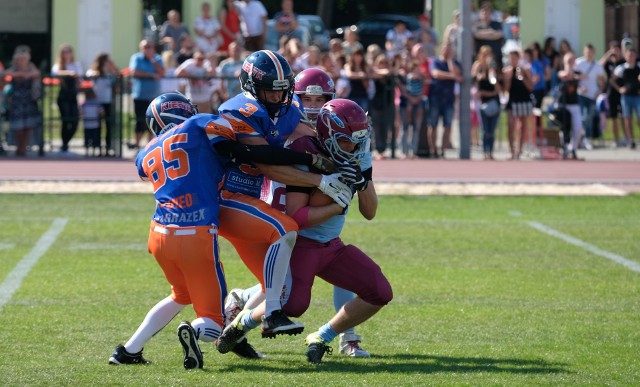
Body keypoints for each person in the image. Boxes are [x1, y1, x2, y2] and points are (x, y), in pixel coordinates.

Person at [109, 92, 347, 366]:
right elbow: (246, 152)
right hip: (196, 231)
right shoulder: (199, 124)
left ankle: (128, 350)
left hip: (158, 232)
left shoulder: (146, 152)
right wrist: (309, 160)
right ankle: (198, 329)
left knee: (181, 294)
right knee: (213, 320)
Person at [217, 99, 392, 364]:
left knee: (380, 291)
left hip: (331, 245)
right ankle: (240, 325)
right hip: (301, 244)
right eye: (346, 141)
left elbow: (370, 212)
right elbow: (297, 218)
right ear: (328, 135)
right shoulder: (305, 150)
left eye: (358, 141)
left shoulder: (356, 152)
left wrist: (362, 182)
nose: (353, 147)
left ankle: (322, 337)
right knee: (293, 304)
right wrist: (337, 204)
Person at [213, 50, 353, 347]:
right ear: (252, 87)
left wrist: (347, 141)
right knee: (285, 229)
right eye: (269, 92)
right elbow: (265, 161)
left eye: (282, 92)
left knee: (278, 284)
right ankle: (270, 315)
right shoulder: (240, 110)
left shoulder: (286, 110)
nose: (277, 99)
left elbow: (311, 134)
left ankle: (235, 324)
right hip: (231, 198)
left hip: (253, 202)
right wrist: (320, 178)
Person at [4, 46, 40, 157]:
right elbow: (4, 74)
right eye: (20, 59)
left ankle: (23, 149)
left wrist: (27, 74)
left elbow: (37, 73)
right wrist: (19, 74)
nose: (22, 61)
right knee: (18, 127)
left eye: (24, 59)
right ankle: (18, 148)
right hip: (17, 101)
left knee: (27, 127)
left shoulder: (31, 66)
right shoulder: (14, 68)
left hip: (29, 100)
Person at [129, 39, 165, 149]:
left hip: (154, 97)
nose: (148, 49)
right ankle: (137, 145)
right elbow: (134, 72)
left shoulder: (157, 59)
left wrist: (152, 60)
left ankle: (150, 145)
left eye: (150, 46)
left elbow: (162, 72)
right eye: (145, 47)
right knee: (139, 121)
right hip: (140, 95)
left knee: (153, 122)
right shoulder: (136, 58)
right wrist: (151, 75)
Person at [428, 43, 462, 158]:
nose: (446, 52)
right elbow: (436, 74)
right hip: (435, 98)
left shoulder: (455, 63)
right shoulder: (435, 62)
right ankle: (433, 151)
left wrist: (450, 61)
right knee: (433, 125)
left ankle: (442, 151)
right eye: (445, 50)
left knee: (447, 126)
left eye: (449, 50)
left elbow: (458, 74)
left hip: (449, 99)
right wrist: (452, 76)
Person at [86, 52, 119, 157]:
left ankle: (108, 148)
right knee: (97, 126)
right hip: (97, 102)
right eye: (106, 61)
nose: (108, 63)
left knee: (109, 125)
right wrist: (98, 73)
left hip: (108, 101)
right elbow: (88, 76)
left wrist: (112, 70)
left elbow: (117, 79)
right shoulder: (94, 72)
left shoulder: (110, 74)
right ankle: (97, 148)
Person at [51, 44, 83, 154]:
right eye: (65, 52)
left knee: (74, 121)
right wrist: (69, 73)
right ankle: (64, 145)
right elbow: (54, 73)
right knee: (66, 120)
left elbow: (80, 78)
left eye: (69, 51)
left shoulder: (76, 65)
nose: (67, 54)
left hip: (73, 96)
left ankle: (65, 143)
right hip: (63, 96)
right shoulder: (59, 65)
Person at [503, 50, 534, 160]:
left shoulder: (526, 70)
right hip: (513, 101)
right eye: (510, 58)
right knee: (511, 126)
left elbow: (531, 87)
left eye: (514, 58)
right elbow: (505, 90)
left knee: (523, 126)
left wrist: (523, 77)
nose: (512, 60)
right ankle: (512, 151)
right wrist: (508, 78)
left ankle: (520, 150)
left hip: (524, 101)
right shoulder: (507, 71)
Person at [473, 46, 501, 160]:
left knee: (492, 130)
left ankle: (490, 152)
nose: (487, 57)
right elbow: (477, 89)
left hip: (495, 104)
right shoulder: (478, 68)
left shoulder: (494, 69)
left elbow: (498, 89)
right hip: (483, 104)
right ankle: (485, 152)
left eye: (488, 54)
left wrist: (492, 72)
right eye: (484, 54)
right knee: (485, 130)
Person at [575, 43, 606, 148]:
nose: (589, 54)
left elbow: (602, 80)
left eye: (591, 52)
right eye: (587, 52)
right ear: (584, 52)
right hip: (581, 94)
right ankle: (579, 138)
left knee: (589, 117)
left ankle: (586, 139)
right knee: (583, 117)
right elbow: (574, 76)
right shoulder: (579, 63)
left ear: (594, 53)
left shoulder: (597, 65)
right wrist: (579, 87)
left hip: (593, 95)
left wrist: (599, 91)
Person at [611, 48, 640, 149]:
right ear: (626, 56)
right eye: (629, 55)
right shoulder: (621, 68)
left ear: (636, 56)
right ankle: (630, 140)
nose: (631, 57)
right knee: (627, 119)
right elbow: (612, 80)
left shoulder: (639, 66)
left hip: (638, 96)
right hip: (626, 97)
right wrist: (619, 89)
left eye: (633, 55)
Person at [557, 51, 583, 159]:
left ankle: (573, 148)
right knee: (564, 128)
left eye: (572, 60)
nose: (571, 62)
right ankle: (565, 148)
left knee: (578, 128)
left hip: (574, 104)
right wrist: (569, 69)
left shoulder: (578, 72)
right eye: (569, 60)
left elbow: (580, 77)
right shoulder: (561, 72)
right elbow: (565, 75)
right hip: (563, 104)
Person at [600, 40, 626, 147]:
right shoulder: (608, 63)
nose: (615, 52)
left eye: (617, 49)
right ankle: (617, 139)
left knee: (624, 116)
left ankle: (626, 137)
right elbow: (599, 65)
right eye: (613, 49)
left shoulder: (623, 62)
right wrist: (608, 55)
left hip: (622, 91)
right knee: (614, 117)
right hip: (611, 93)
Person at [175, 50, 216, 114]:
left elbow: (213, 74)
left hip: (205, 99)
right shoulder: (189, 64)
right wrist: (192, 77)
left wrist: (211, 62)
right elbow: (177, 73)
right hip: (192, 99)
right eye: (198, 59)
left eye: (202, 59)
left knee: (206, 120)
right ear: (194, 58)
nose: (200, 61)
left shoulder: (206, 64)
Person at [473, 2, 503, 71]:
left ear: (490, 14)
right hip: (480, 59)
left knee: (493, 72)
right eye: (483, 13)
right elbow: (477, 35)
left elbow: (499, 35)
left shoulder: (496, 24)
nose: (485, 15)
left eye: (487, 13)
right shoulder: (477, 25)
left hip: (495, 57)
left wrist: (483, 34)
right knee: (478, 74)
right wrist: (491, 33)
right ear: (480, 14)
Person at [80, 87, 102, 157]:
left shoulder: (84, 103)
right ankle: (94, 151)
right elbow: (101, 112)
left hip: (87, 124)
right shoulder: (97, 103)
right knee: (95, 138)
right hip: (95, 124)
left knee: (88, 138)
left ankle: (87, 151)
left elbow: (81, 112)